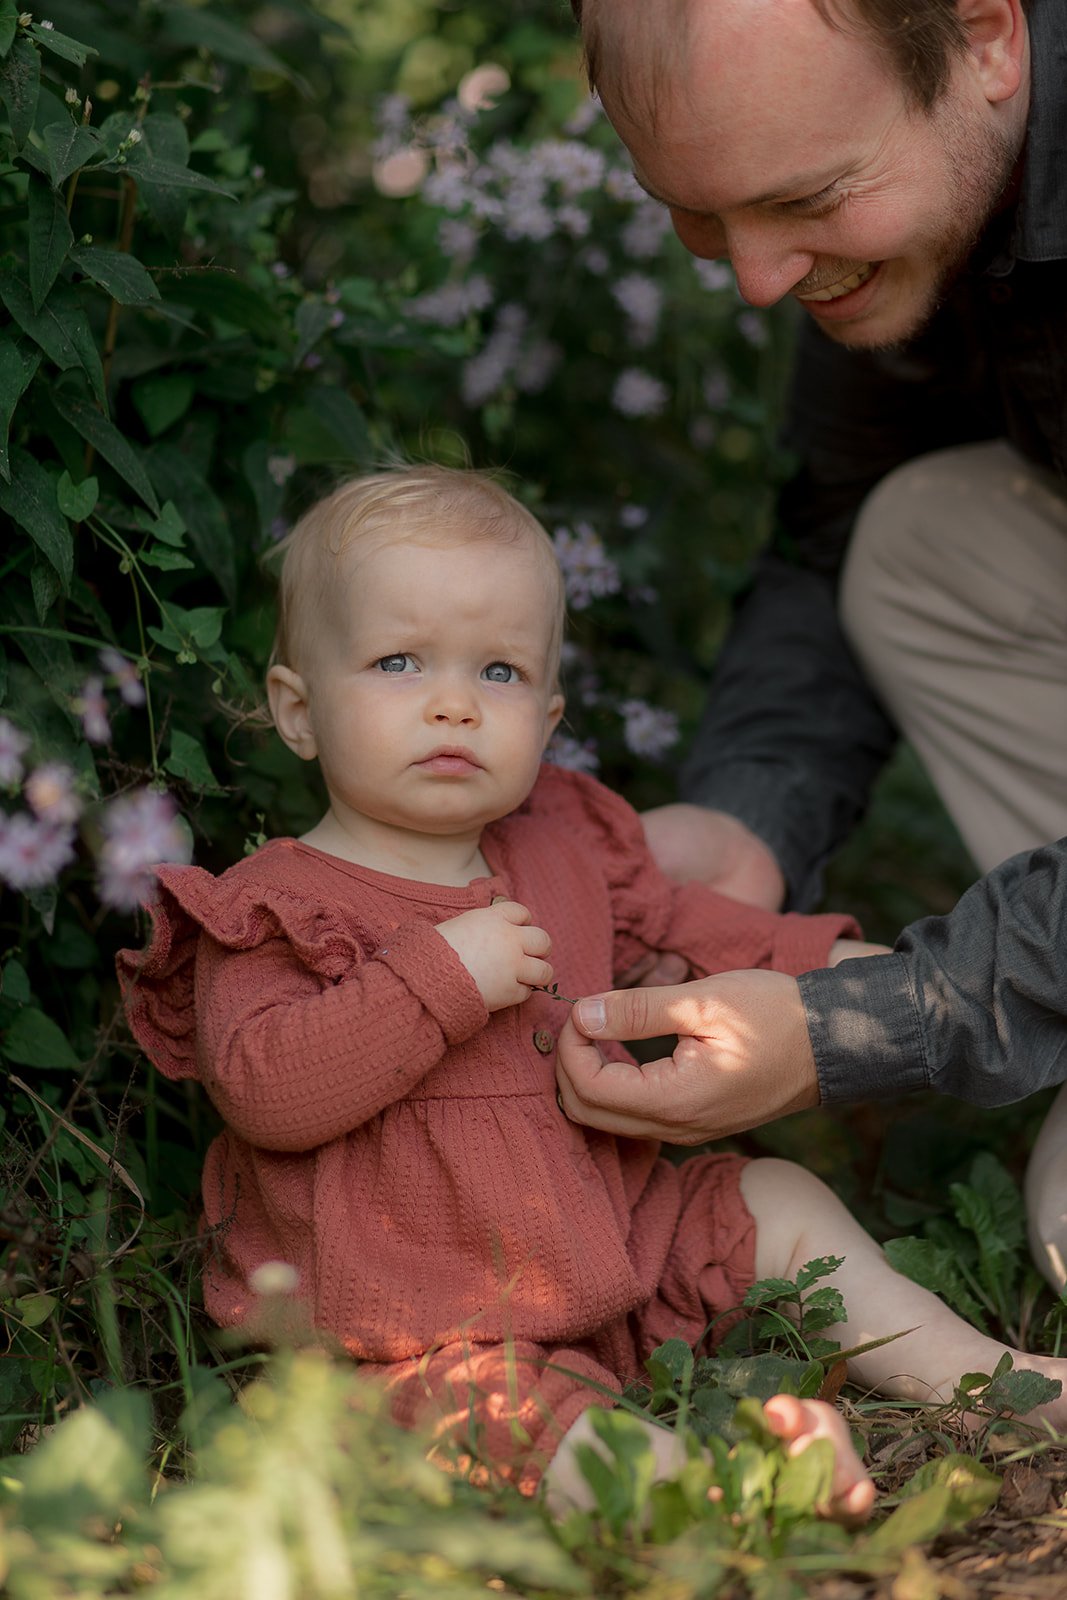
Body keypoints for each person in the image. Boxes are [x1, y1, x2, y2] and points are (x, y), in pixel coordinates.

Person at [118, 465, 1063, 1513]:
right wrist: (438, 976)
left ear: (548, 715)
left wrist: (890, 985)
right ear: (297, 710)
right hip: (408, 1328)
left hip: (619, 1241)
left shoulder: (565, 848)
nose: (453, 703)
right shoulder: (276, 904)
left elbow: (707, 935)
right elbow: (264, 1087)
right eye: (397, 662)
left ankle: (983, 1382)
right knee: (501, 1421)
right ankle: (720, 1487)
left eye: (500, 672)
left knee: (773, 1200)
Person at [562, 0, 1067, 1284]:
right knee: (913, 535)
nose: (755, 279)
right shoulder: (921, 182)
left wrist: (856, 1024)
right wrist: (747, 827)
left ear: (984, 37)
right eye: (694, 214)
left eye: (807, 198)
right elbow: (833, 527)